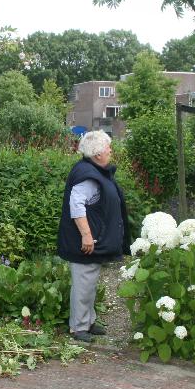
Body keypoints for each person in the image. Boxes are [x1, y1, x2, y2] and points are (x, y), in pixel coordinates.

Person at [57, 130, 131, 342]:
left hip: (93, 240)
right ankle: (78, 328)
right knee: (83, 283)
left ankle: (87, 322)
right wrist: (87, 236)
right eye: (108, 146)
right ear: (98, 153)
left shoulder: (94, 170)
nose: (110, 149)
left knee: (89, 283)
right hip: (86, 242)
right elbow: (76, 206)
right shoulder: (87, 175)